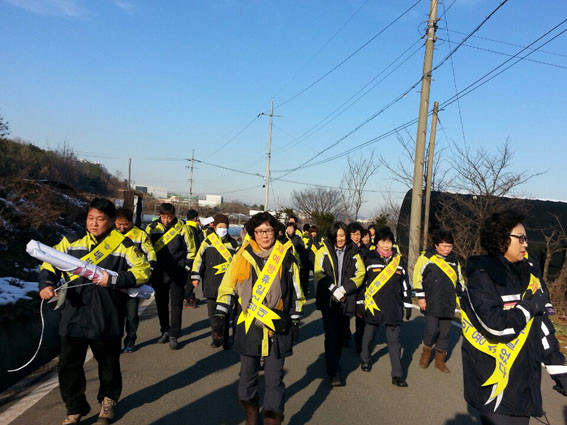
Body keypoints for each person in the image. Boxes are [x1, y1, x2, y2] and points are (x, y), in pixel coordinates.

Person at [38, 198, 150, 425]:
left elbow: (143, 271)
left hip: (107, 314)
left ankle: (108, 401)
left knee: (108, 364)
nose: (94, 223)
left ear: (111, 221)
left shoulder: (124, 245)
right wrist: (46, 284)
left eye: (100, 219)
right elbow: (49, 263)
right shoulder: (71, 241)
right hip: (74, 313)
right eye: (90, 218)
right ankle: (75, 408)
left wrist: (114, 279)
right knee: (68, 365)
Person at [461, 210, 566, 425]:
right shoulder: (481, 277)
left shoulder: (529, 274)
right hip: (495, 387)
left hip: (524, 383)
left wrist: (559, 370)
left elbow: (541, 326)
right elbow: (496, 327)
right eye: (521, 238)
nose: (526, 244)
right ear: (501, 239)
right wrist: (530, 305)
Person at [213, 212, 305, 425]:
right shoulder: (242, 255)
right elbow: (228, 285)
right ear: (253, 233)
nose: (264, 235)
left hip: (277, 325)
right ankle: (251, 415)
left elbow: (296, 290)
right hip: (249, 324)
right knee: (247, 378)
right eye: (260, 231)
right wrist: (220, 313)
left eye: (269, 230)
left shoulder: (286, 256)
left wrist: (295, 318)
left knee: (274, 379)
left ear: (276, 232)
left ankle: (272, 418)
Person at [360, 227, 413, 387]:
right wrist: (360, 303)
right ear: (377, 243)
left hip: (393, 306)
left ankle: (397, 375)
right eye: (383, 241)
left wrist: (408, 304)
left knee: (394, 341)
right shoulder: (368, 259)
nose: (386, 245)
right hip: (373, 305)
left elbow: (405, 284)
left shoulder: (400, 261)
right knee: (369, 336)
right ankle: (365, 359)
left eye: (389, 242)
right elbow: (362, 283)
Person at [314, 221, 365, 386]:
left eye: (342, 235)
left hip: (346, 299)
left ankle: (335, 361)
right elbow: (319, 272)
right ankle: (333, 371)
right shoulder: (323, 250)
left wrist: (344, 289)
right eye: (336, 236)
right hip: (328, 299)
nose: (340, 239)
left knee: (341, 336)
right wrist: (333, 289)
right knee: (331, 334)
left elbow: (360, 273)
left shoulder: (354, 251)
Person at [146, 203, 196, 350]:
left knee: (176, 304)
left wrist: (186, 268)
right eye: (163, 217)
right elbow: (146, 248)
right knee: (161, 303)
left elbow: (191, 250)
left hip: (177, 272)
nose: (166, 220)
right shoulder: (151, 228)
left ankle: (174, 333)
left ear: (174, 215)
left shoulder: (183, 228)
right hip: (159, 273)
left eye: (169, 217)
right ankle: (165, 330)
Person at [413, 229, 464, 373]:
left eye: (450, 246)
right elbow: (417, 278)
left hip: (448, 302)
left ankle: (440, 361)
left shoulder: (454, 260)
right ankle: (426, 353)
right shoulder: (426, 258)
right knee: (432, 330)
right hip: (431, 301)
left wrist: (462, 299)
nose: (448, 249)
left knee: (445, 333)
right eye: (445, 246)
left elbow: (459, 281)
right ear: (436, 245)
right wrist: (421, 298)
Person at [191, 213, 239, 348]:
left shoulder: (234, 244)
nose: (222, 229)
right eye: (220, 226)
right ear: (215, 227)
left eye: (224, 226)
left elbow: (238, 263)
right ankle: (216, 336)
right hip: (211, 282)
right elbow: (199, 260)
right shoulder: (208, 242)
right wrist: (195, 276)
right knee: (213, 313)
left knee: (226, 313)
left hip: (228, 285)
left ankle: (226, 338)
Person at [114, 207, 156, 353]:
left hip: (133, 281)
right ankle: (114, 342)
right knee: (115, 315)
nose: (122, 227)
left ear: (131, 222)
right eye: (119, 224)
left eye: (125, 224)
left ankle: (130, 339)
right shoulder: (111, 234)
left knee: (131, 315)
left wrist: (150, 268)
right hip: (114, 281)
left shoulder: (140, 235)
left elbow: (150, 252)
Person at [348, 221, 366, 353]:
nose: (356, 237)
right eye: (353, 234)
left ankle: (359, 344)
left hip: (362, 290)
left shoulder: (365, 250)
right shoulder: (346, 250)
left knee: (361, 318)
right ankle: (345, 337)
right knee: (345, 318)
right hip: (348, 288)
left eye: (358, 234)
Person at [185, 209, 204, 308]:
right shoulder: (194, 229)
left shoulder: (183, 227)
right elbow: (197, 245)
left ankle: (190, 296)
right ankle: (187, 298)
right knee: (191, 280)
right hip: (192, 258)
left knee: (187, 279)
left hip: (184, 257)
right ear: (195, 218)